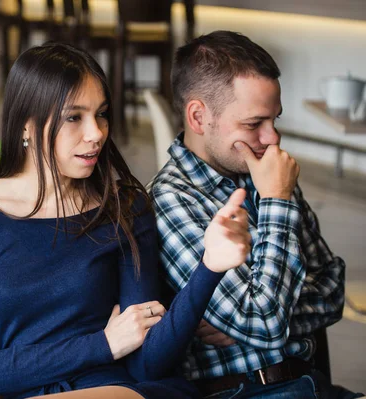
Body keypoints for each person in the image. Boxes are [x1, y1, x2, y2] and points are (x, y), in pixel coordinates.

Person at [0, 42, 251, 399]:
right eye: (74, 117)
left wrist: (210, 267)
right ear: (26, 125)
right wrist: (102, 344)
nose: (96, 132)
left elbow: (145, 363)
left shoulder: (124, 206)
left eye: (101, 114)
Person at [149, 31, 360, 398]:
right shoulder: (170, 199)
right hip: (245, 392)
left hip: (312, 385)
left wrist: (267, 320)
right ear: (198, 117)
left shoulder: (268, 173)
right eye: (254, 124)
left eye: (274, 120)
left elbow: (332, 289)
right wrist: (277, 199)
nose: (272, 138)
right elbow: (264, 322)